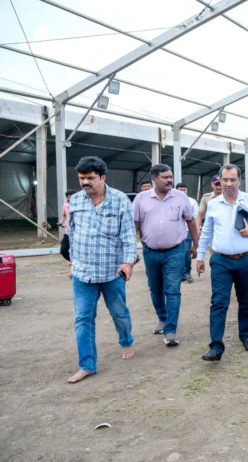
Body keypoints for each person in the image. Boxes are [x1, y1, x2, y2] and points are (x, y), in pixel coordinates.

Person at [66, 156, 138, 383]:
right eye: (81, 178)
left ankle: (126, 340)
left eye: (90, 178)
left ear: (102, 177)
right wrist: (72, 263)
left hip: (111, 272)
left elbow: (128, 235)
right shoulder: (75, 201)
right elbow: (73, 235)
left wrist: (128, 262)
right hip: (82, 273)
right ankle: (87, 365)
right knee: (83, 318)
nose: (85, 182)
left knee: (119, 313)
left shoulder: (119, 200)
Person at [196, 164, 248, 361]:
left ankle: (246, 336)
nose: (228, 184)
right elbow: (207, 232)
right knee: (219, 302)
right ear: (219, 181)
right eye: (225, 180)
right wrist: (200, 256)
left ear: (239, 180)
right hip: (221, 261)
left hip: (246, 259)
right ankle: (216, 346)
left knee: (245, 300)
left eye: (233, 180)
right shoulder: (213, 204)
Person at [132, 164, 199, 347]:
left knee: (172, 290)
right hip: (150, 251)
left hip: (175, 251)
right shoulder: (141, 198)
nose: (170, 180)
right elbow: (134, 224)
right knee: (155, 288)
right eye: (165, 177)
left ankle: (170, 330)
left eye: (171, 176)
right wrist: (131, 249)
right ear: (154, 178)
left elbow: (191, 221)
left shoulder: (181, 197)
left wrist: (195, 244)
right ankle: (162, 318)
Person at [176, 182, 199, 284]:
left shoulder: (192, 201)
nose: (183, 192)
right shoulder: (171, 201)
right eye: (180, 190)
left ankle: (187, 273)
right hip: (175, 232)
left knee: (186, 252)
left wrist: (197, 231)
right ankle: (179, 274)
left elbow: (195, 218)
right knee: (176, 253)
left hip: (187, 231)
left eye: (184, 190)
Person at [58, 189, 77, 261]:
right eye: (68, 197)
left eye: (71, 196)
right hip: (68, 231)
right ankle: (73, 261)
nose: (69, 198)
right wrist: (61, 222)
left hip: (78, 231)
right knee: (63, 250)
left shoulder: (80, 205)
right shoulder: (65, 205)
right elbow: (64, 215)